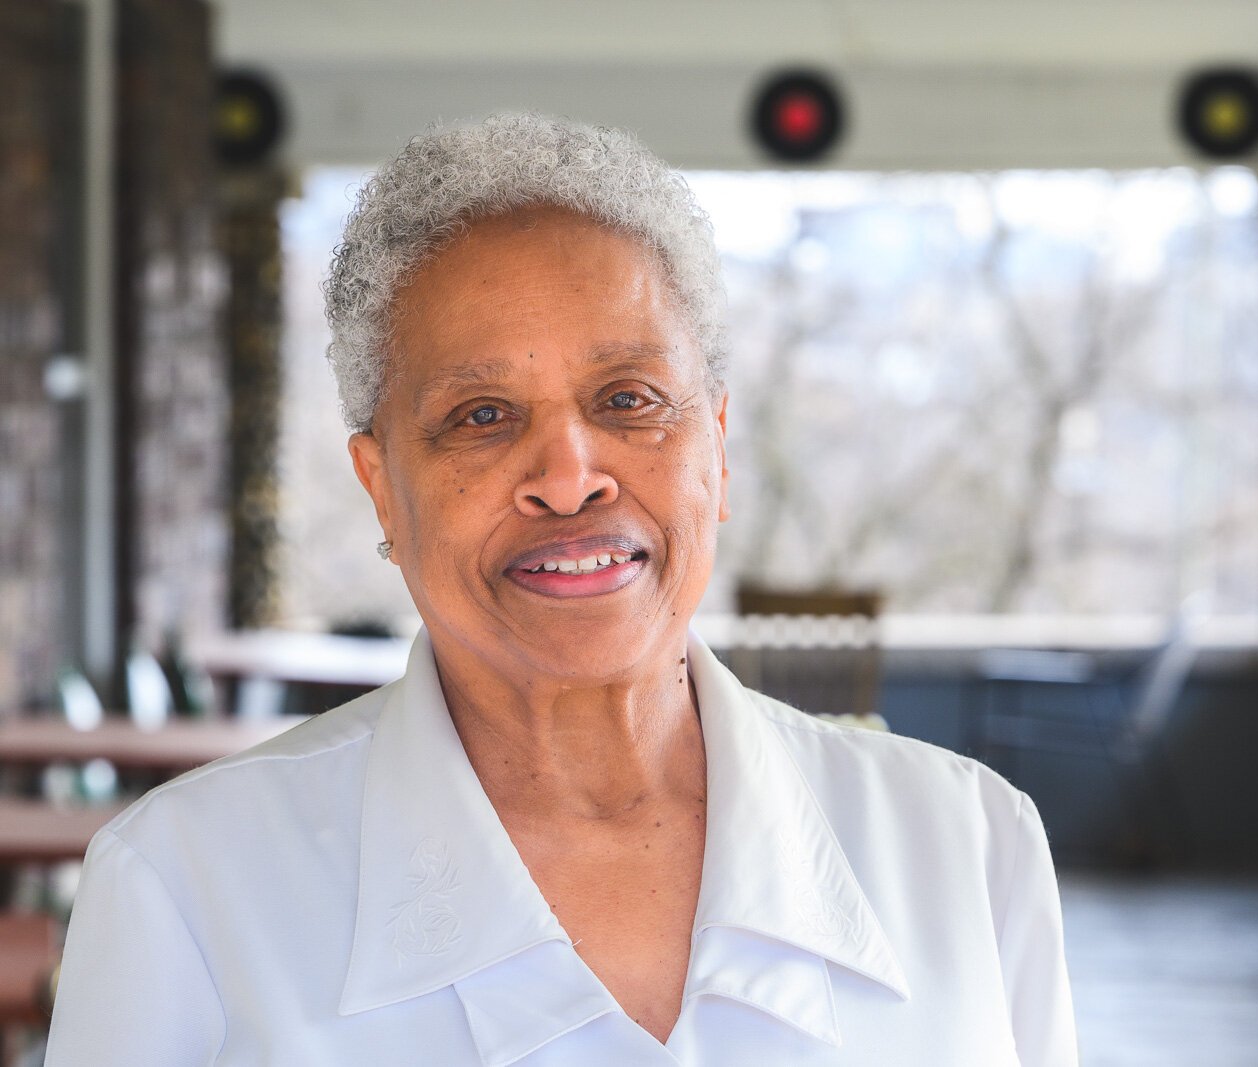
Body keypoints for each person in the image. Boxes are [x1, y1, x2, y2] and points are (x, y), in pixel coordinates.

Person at [45, 113, 1077, 1065]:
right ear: (382, 490)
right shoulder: (186, 884)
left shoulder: (967, 846)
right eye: (482, 415)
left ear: (714, 451)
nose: (570, 473)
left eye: (628, 398)